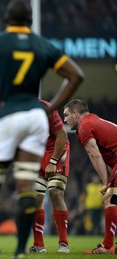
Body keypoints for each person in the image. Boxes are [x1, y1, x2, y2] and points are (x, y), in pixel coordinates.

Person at [0, 0, 84, 259]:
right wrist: (51, 109)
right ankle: (19, 251)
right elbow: (76, 75)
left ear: (6, 19)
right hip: (33, 119)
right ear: (30, 22)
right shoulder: (42, 45)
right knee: (26, 186)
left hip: (5, 115)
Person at [63, 99, 117, 254]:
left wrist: (106, 183)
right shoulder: (93, 120)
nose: (64, 119)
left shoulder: (84, 126)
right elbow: (109, 155)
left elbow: (95, 155)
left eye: (66, 115)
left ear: (75, 114)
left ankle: (107, 247)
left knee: (109, 198)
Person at [29, 100, 70, 253]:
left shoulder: (46, 108)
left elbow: (62, 135)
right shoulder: (16, 112)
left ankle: (63, 243)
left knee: (55, 191)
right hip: (37, 153)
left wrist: (53, 161)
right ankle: (39, 245)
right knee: (35, 197)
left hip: (56, 150)